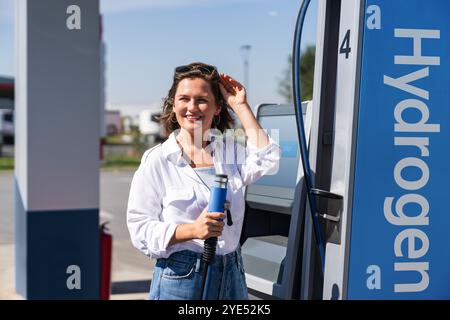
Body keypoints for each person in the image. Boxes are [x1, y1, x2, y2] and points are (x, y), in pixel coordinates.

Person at [127, 62, 280, 300]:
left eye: (202, 100)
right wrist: (192, 230)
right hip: (181, 277)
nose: (191, 107)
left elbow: (268, 159)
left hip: (232, 272)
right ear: (173, 104)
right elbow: (139, 228)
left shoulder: (229, 152)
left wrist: (241, 107)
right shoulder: (158, 160)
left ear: (217, 107)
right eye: (184, 99)